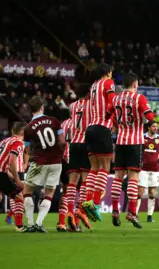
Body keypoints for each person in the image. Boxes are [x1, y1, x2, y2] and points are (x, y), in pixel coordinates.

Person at [106, 72, 155, 229]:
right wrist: (144, 116)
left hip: (120, 141)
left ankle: (115, 210)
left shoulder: (116, 98)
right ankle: (132, 212)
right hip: (135, 142)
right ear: (135, 84)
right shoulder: (139, 98)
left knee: (118, 177)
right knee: (133, 177)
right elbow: (151, 116)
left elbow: (108, 115)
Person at [22, 96, 66, 233]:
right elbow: (63, 141)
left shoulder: (28, 128)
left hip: (39, 161)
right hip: (56, 162)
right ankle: (39, 223)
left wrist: (30, 159)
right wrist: (60, 154)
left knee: (27, 192)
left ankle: (30, 224)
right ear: (42, 107)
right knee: (49, 193)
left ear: (30, 110)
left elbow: (27, 150)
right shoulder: (54, 121)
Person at [82, 63, 116, 222]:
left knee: (94, 167)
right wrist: (111, 118)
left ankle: (88, 200)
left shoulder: (93, 86)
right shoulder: (108, 83)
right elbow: (112, 103)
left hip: (90, 128)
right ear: (108, 72)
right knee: (105, 167)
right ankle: (95, 203)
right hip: (102, 128)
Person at [65, 83, 92, 231]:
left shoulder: (73, 106)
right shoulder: (91, 106)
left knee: (72, 182)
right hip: (86, 143)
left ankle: (69, 210)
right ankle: (77, 215)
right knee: (85, 182)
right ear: (89, 94)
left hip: (73, 144)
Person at [138, 122, 159, 223]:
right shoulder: (142, 137)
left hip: (155, 169)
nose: (155, 128)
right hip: (143, 169)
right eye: (153, 126)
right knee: (140, 193)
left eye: (156, 126)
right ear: (148, 127)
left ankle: (149, 216)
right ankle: (134, 214)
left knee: (152, 194)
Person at [57, 118, 73, 232]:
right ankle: (73, 223)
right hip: (74, 160)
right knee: (78, 191)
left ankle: (61, 222)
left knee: (66, 191)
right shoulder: (83, 121)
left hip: (62, 160)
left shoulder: (63, 123)